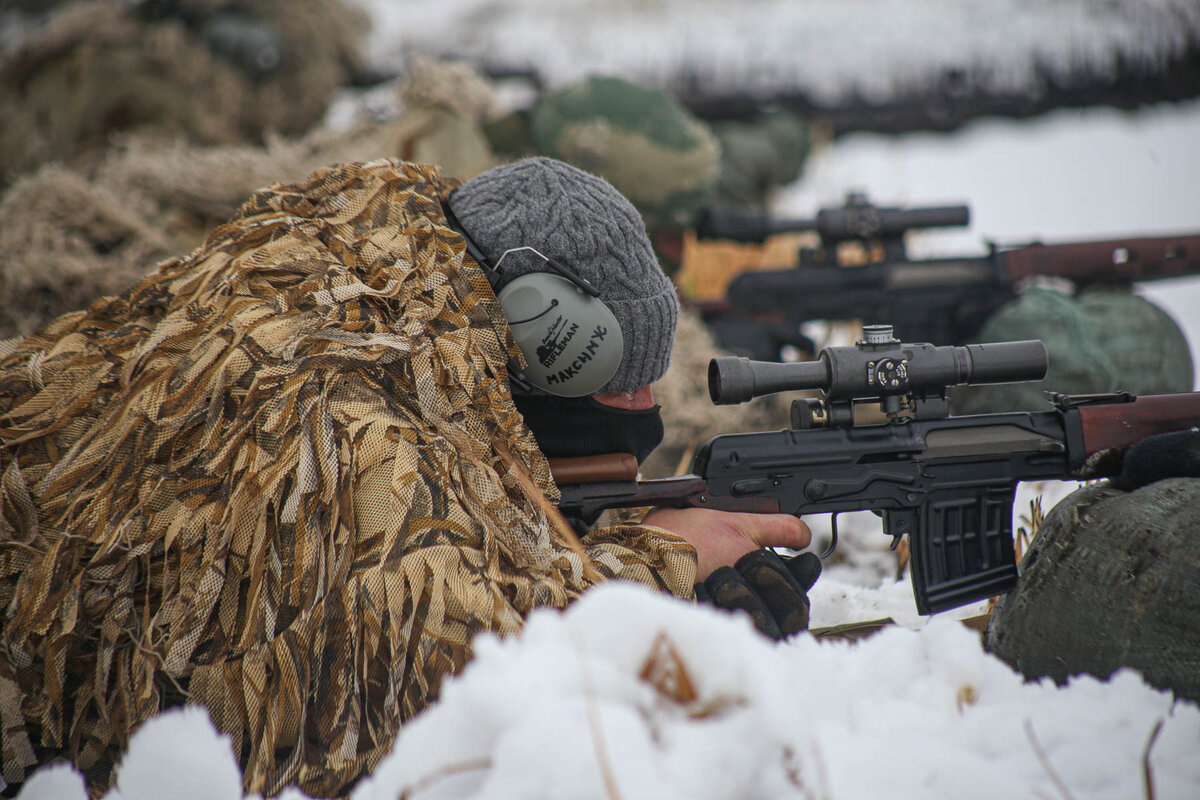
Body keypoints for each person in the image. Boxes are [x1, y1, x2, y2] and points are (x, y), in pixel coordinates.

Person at [0, 156, 819, 797]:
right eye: (620, 382)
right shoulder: (343, 410)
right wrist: (659, 563)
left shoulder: (377, 265)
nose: (645, 412)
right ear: (540, 333)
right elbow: (419, 676)